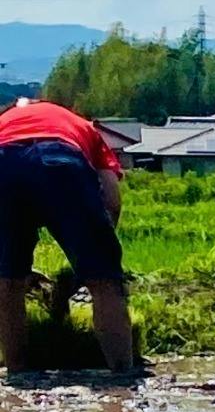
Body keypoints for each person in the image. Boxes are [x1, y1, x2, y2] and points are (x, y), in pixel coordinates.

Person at [0, 98, 135, 376]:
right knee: (105, 283)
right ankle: (123, 376)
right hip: (61, 159)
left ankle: (18, 373)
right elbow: (111, 197)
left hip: (3, 164)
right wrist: (98, 261)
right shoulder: (83, 126)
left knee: (7, 282)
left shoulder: (4, 123)